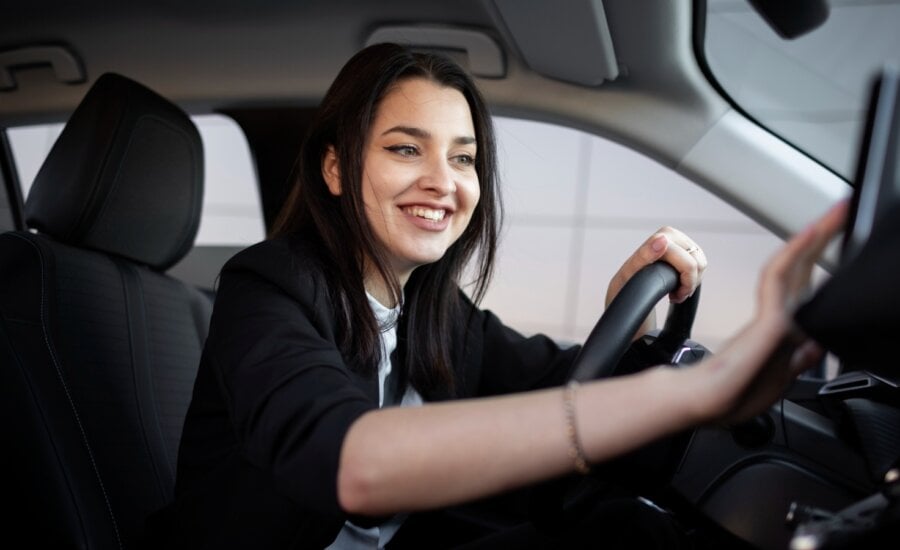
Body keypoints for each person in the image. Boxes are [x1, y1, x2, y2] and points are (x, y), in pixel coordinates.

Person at [147, 43, 847, 549]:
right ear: (335, 168)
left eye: (463, 157)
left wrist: (635, 338)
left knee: (624, 526)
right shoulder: (266, 288)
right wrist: (695, 392)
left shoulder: (437, 314)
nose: (442, 181)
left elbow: (563, 384)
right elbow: (351, 464)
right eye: (404, 149)